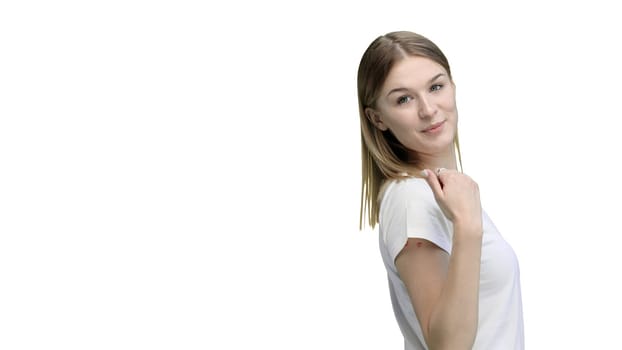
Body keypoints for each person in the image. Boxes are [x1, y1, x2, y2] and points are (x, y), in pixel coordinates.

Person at [357, 31, 524, 349]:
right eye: (404, 98)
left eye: (436, 86)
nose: (429, 109)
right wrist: (468, 227)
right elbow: (448, 346)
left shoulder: (440, 193)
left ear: (453, 86)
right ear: (377, 118)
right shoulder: (412, 199)